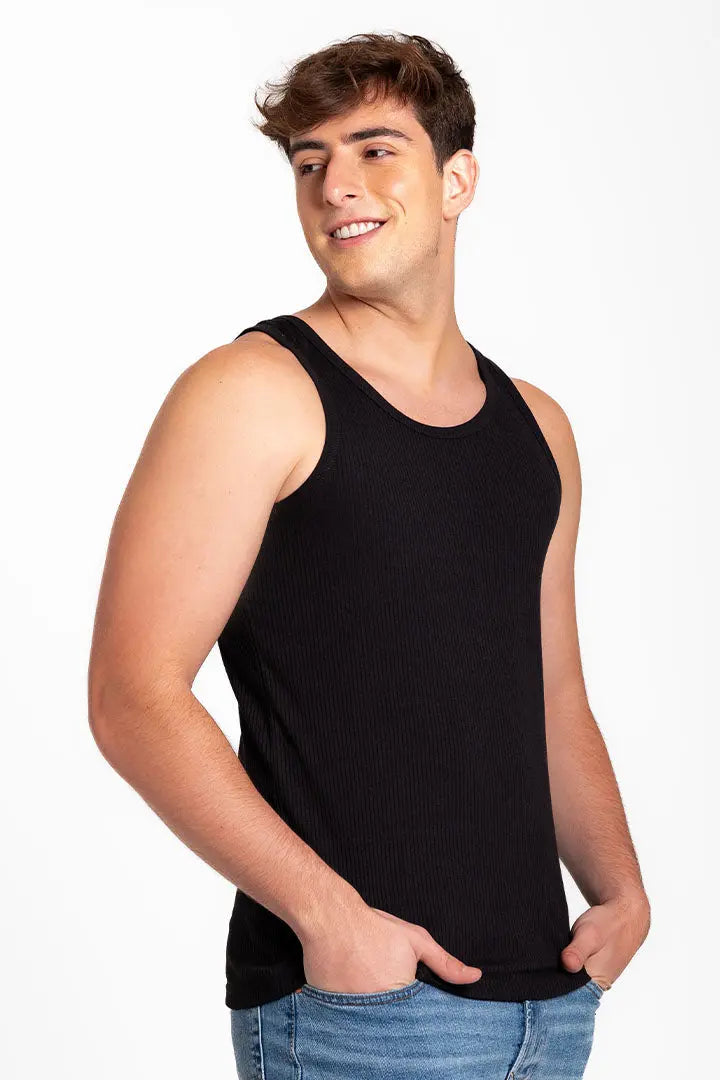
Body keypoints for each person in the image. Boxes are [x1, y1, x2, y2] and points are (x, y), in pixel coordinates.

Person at [88, 31, 651, 1080]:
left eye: (375, 150)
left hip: (550, 1008)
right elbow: (132, 694)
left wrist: (620, 889)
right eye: (310, 162)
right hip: (361, 1012)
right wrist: (329, 918)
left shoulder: (539, 428)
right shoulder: (254, 392)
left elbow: (553, 692)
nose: (335, 185)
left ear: (457, 180)